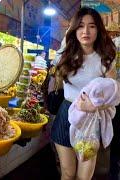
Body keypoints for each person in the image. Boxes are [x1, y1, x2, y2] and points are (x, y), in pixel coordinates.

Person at [50, 7, 117, 180]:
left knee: (84, 177)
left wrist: (95, 105)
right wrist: (66, 40)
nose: (85, 31)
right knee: (67, 172)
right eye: (80, 26)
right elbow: (53, 73)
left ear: (98, 30)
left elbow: (115, 95)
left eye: (91, 26)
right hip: (66, 115)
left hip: (91, 119)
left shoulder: (106, 57)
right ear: (74, 29)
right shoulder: (65, 54)